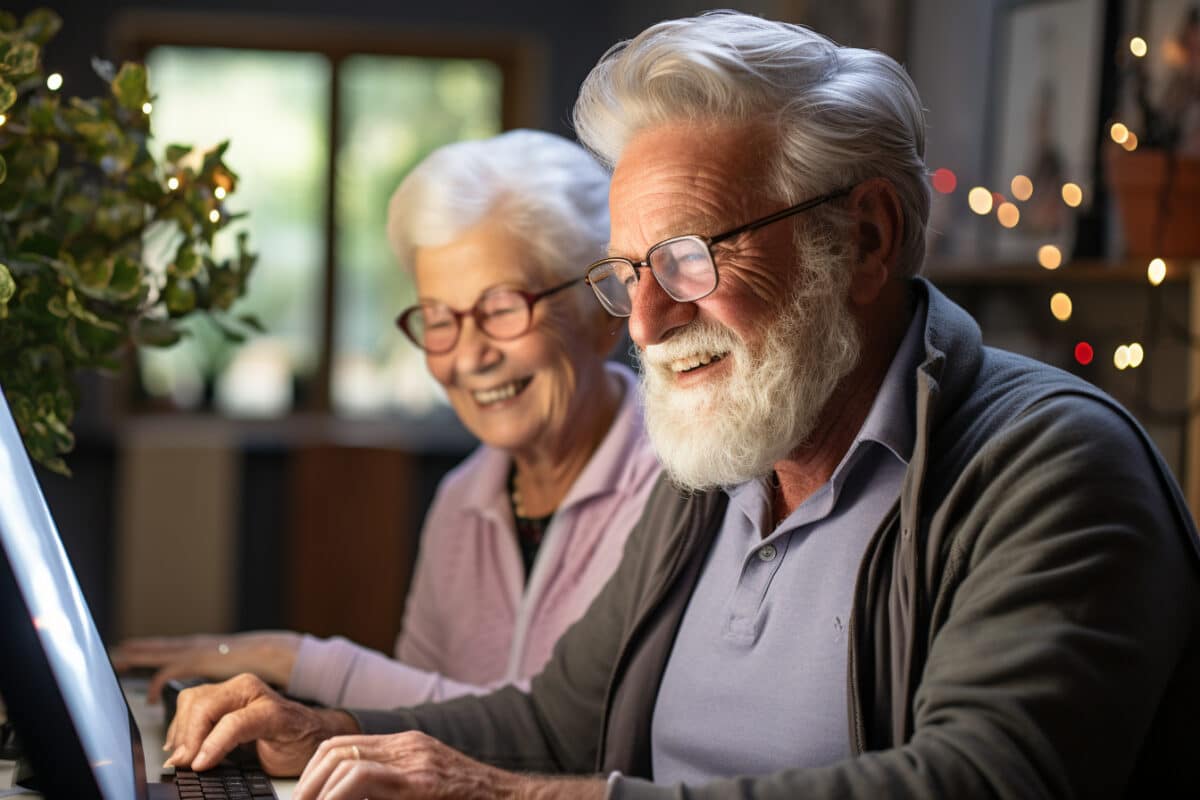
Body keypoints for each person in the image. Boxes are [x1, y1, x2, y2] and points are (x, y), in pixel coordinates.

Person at [162, 12, 1200, 799]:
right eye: (626, 271)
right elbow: (560, 717)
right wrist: (324, 725)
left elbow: (972, 779)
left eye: (692, 257)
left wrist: (501, 793)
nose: (647, 321)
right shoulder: (720, 459)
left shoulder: (1054, 463)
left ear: (869, 238)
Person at [114, 129, 660, 712]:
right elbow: (423, 738)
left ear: (605, 313)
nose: (469, 356)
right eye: (438, 319)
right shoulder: (462, 502)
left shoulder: (674, 493)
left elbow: (579, 738)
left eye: (502, 309)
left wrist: (297, 661)